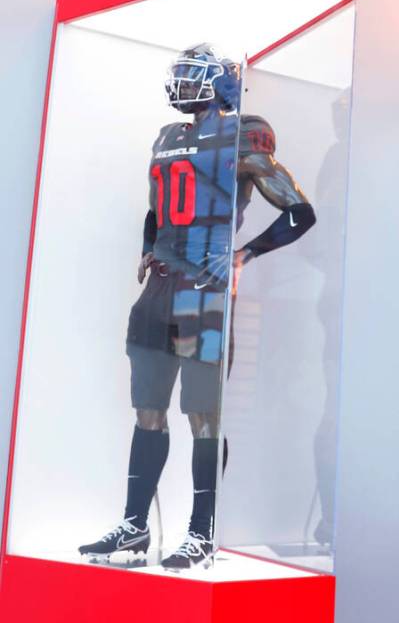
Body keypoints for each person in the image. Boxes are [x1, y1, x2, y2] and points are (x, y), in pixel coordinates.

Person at [78, 44, 316, 569]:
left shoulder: (244, 134)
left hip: (204, 291)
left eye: (194, 74)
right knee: (147, 412)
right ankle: (134, 527)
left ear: (221, 84)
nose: (183, 81)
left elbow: (301, 213)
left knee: (204, 416)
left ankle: (201, 532)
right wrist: (147, 248)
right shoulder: (167, 138)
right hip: (158, 291)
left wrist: (244, 255)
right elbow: (155, 210)